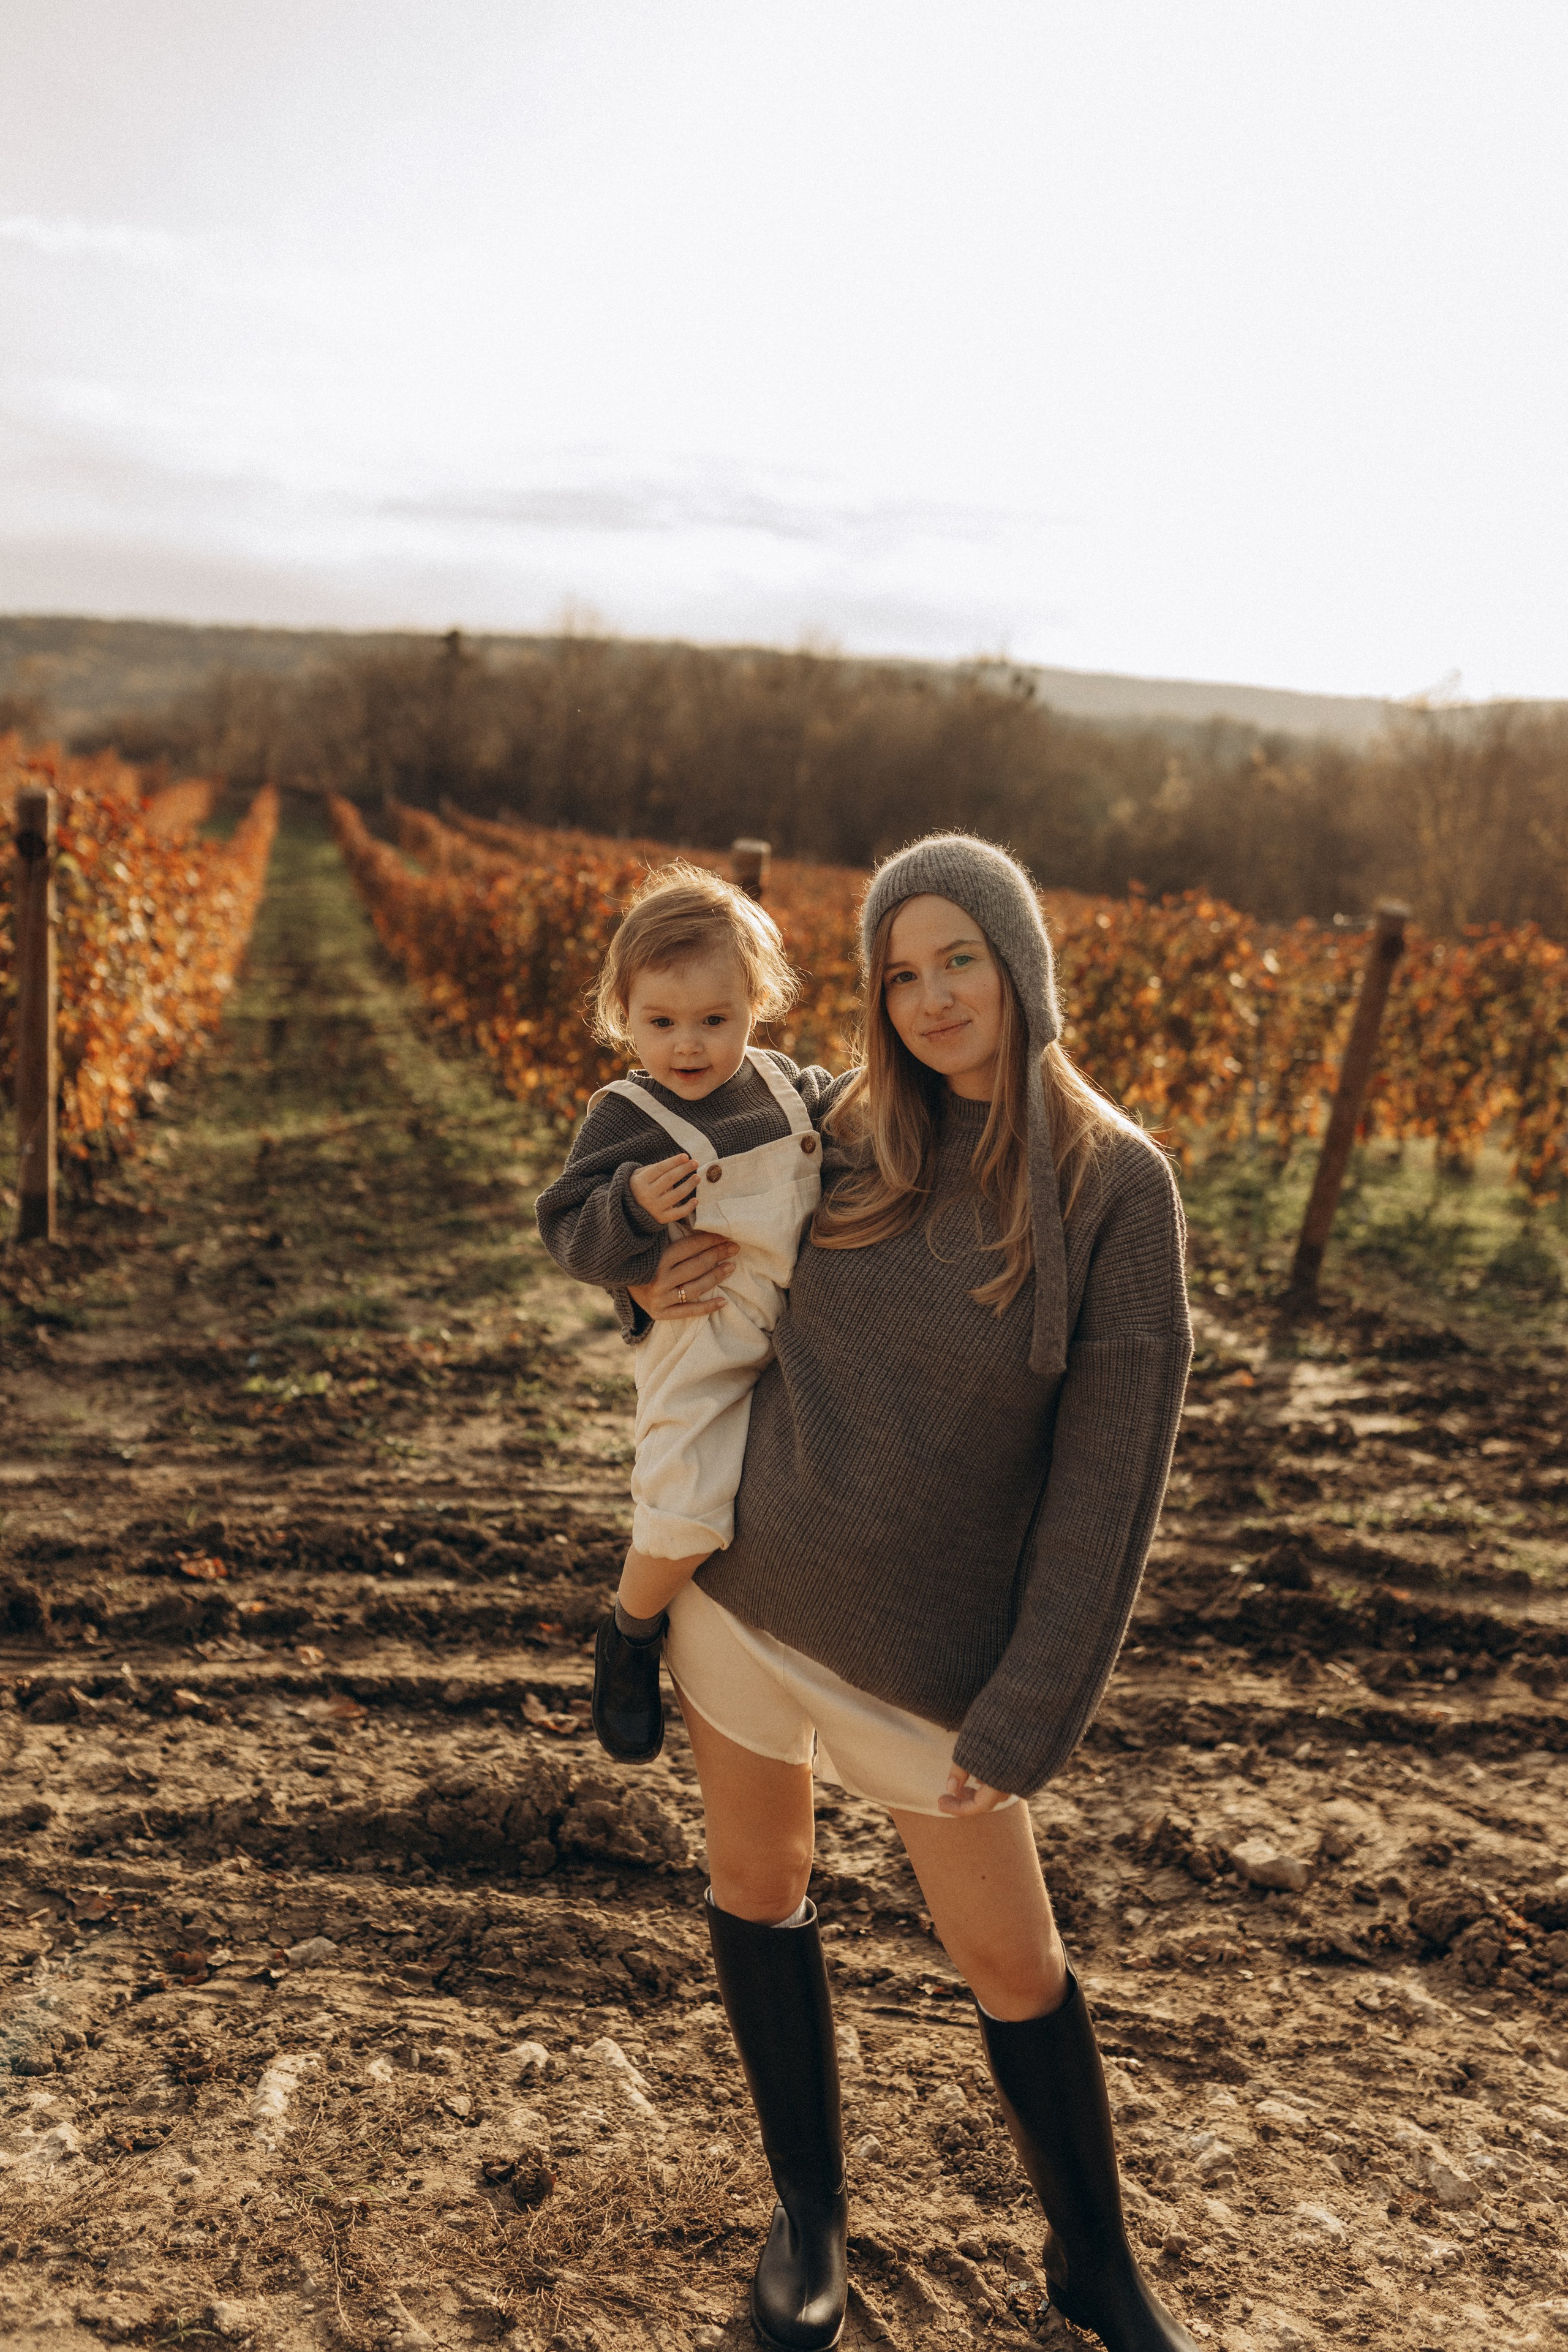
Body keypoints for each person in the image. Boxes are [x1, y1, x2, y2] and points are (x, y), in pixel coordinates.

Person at [622, 834, 1199, 2352]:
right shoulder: (835, 1129)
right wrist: (637, 1262)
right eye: (898, 971)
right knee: (757, 1889)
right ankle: (807, 2220)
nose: (931, 997)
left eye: (958, 960)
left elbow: (1106, 1488)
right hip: (744, 1597)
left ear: (1019, 964)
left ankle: (1096, 2267)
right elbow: (657, 1188)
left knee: (1012, 1963)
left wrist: (1031, 1709)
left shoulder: (1111, 1189)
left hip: (934, 1664)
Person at [535, 864, 837, 1762]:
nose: (690, 1046)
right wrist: (630, 1211)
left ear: (760, 1003)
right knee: (688, 1503)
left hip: (802, 1335)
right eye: (660, 1023)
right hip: (698, 1334)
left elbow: (862, 1126)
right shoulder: (623, 1116)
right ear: (621, 1013)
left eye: (717, 1020)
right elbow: (566, 1231)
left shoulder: (791, 1088)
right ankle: (630, 1630)